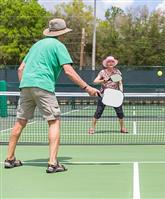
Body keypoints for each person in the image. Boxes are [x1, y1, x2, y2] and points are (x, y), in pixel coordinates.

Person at [4, 18, 100, 173]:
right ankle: (53, 163)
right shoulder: (59, 46)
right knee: (53, 122)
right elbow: (68, 71)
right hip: (43, 86)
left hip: (25, 86)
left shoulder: (36, 45)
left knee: (20, 122)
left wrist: (25, 86)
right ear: (62, 34)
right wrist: (87, 87)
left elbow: (20, 69)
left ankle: (9, 159)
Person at [89, 56, 128, 134]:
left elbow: (120, 83)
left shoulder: (117, 72)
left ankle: (123, 128)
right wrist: (103, 80)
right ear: (106, 64)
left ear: (114, 63)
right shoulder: (102, 72)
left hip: (115, 95)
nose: (110, 63)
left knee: (120, 112)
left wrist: (121, 92)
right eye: (109, 62)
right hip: (104, 95)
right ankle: (92, 128)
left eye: (112, 62)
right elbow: (95, 81)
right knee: (98, 112)